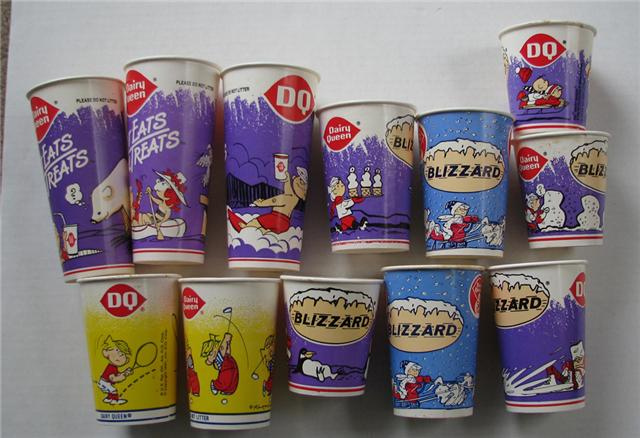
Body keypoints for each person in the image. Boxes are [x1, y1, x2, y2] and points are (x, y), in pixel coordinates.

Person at [227, 167, 308, 235]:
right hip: (285, 223)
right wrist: (287, 180)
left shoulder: (287, 198)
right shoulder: (294, 198)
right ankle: (264, 231)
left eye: (299, 180)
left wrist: (261, 203)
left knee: (256, 221)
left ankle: (246, 228)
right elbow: (288, 191)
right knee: (266, 231)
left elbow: (275, 200)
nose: (294, 177)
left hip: (275, 217)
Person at [97, 336, 133, 405]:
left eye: (123, 354)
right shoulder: (111, 368)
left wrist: (125, 372)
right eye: (120, 353)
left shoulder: (112, 366)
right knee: (113, 390)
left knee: (110, 389)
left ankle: (108, 398)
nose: (121, 356)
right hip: (105, 382)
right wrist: (123, 376)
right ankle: (114, 400)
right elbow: (113, 378)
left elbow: (117, 374)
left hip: (104, 382)